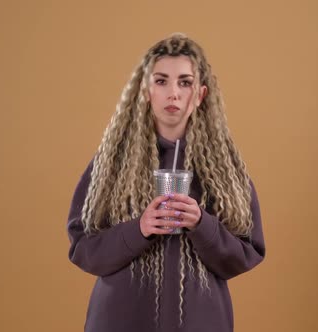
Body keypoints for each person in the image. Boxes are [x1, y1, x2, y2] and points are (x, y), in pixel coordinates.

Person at [66, 33, 266, 332]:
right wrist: (139, 229)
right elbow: (83, 249)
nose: (173, 93)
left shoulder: (226, 170)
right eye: (161, 81)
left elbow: (247, 255)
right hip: (120, 321)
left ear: (199, 95)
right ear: (147, 91)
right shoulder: (112, 163)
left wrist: (202, 224)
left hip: (202, 323)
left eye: (184, 82)